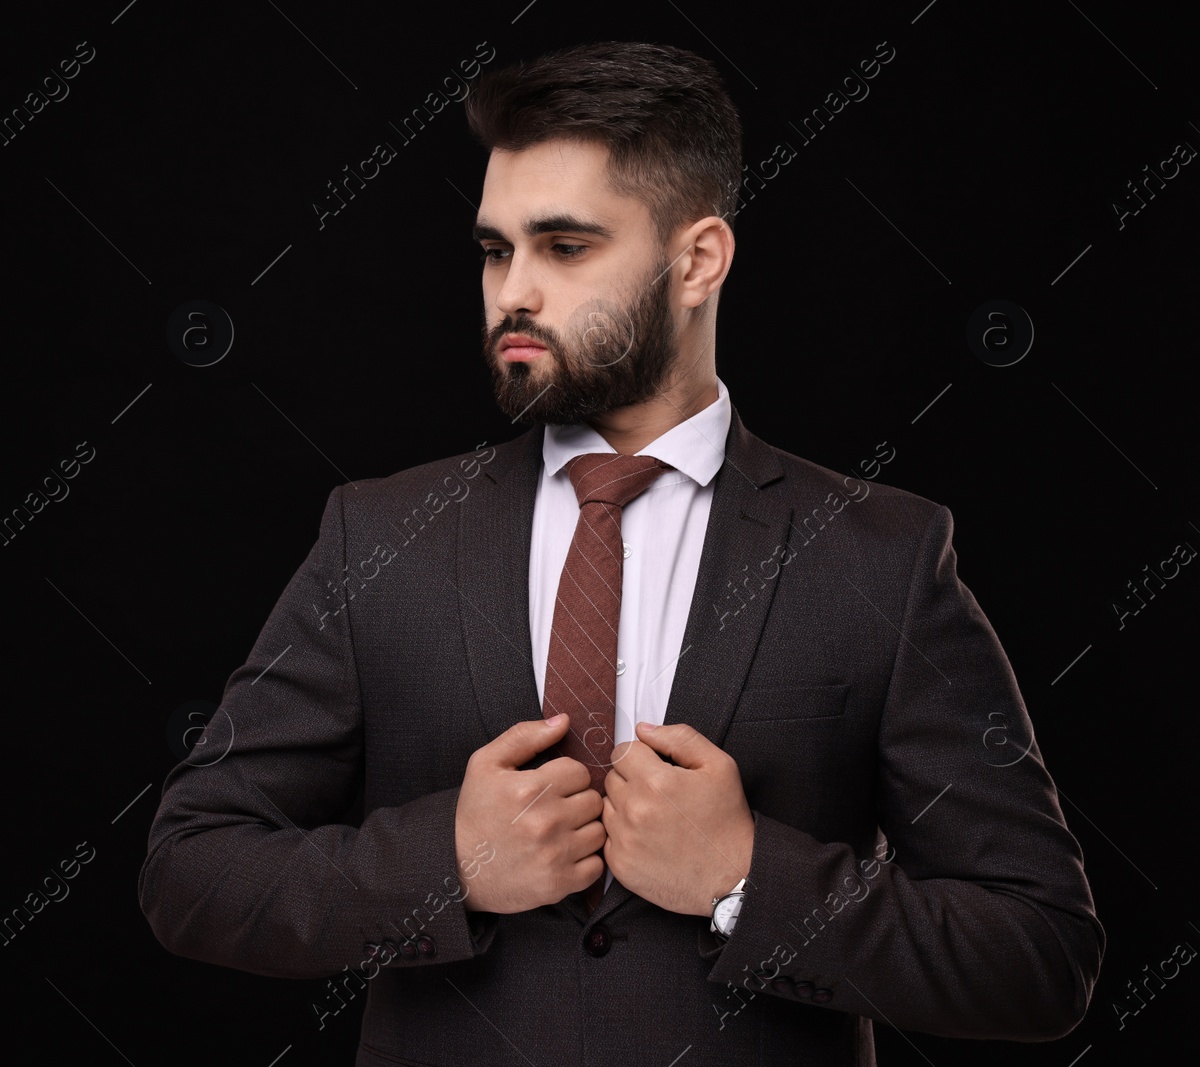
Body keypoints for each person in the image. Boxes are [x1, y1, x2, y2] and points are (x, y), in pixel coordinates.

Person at [139, 41, 1102, 1066]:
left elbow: (1040, 953)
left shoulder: (883, 556)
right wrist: (445, 863)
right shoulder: (379, 535)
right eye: (494, 248)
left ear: (697, 262)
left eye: (563, 247)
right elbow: (191, 869)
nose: (511, 291)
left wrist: (746, 877)